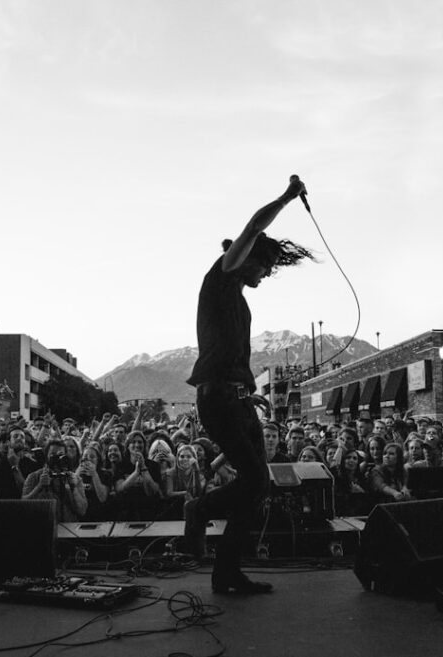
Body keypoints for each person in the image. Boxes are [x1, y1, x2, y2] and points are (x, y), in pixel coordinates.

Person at [183, 175, 313, 595]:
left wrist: (248, 388)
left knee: (257, 488)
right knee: (255, 481)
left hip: (236, 398)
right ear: (248, 258)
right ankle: (200, 508)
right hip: (219, 400)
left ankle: (227, 574)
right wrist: (287, 197)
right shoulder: (221, 278)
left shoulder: (237, 298)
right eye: (265, 265)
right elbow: (254, 227)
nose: (267, 272)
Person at [23, 439, 88, 522]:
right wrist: (39, 486)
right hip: (43, 525)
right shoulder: (34, 477)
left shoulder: (74, 478)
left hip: (69, 527)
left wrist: (73, 488)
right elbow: (23, 504)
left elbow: (82, 511)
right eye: (53, 454)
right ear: (46, 456)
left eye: (60, 454)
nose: (57, 458)